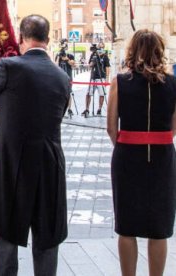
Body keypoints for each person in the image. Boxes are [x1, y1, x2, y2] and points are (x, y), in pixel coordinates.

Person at [0, 15, 69, 276]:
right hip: (50, 163)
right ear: (48, 40)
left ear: (22, 39)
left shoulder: (10, 67)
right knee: (47, 238)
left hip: (13, 162)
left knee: (5, 234)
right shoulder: (62, 76)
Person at [107, 30, 176, 276]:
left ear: (132, 50)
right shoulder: (173, 84)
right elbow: (173, 127)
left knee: (127, 226)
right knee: (159, 226)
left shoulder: (119, 82)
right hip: (162, 157)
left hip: (127, 156)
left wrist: (128, 146)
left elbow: (111, 128)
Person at [82, 41, 110, 117]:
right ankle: (87, 109)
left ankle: (99, 109)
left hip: (102, 77)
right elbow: (90, 65)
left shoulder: (105, 56)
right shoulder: (93, 55)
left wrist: (107, 78)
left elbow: (107, 67)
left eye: (102, 47)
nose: (100, 49)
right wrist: (93, 61)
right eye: (99, 47)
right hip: (93, 77)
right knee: (89, 93)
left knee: (102, 94)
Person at [55, 41, 75, 117]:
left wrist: (67, 59)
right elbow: (55, 64)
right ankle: (60, 109)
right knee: (59, 93)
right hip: (60, 76)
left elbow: (73, 64)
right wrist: (59, 56)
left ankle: (69, 109)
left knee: (68, 93)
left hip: (68, 77)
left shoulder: (70, 55)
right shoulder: (59, 55)